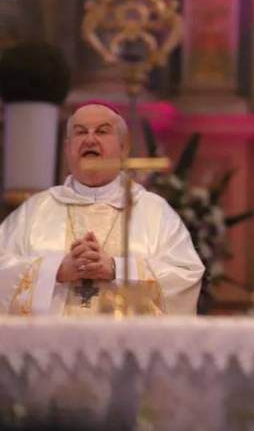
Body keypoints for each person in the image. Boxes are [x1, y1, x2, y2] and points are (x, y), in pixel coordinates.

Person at [0, 103, 204, 315]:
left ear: (123, 147)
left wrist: (116, 268)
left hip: (126, 346)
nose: (89, 139)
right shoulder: (34, 212)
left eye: (102, 131)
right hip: (49, 345)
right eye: (80, 132)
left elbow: (185, 276)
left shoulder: (155, 212)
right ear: (68, 148)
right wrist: (56, 270)